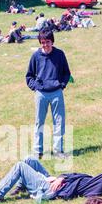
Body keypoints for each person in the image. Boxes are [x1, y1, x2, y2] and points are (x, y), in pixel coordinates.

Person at [0, 156, 102, 204]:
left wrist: (58, 183)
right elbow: (73, 174)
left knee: (20, 166)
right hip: (57, 182)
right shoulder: (93, 180)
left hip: (51, 190)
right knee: (29, 159)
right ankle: (23, 186)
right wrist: (60, 178)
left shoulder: (96, 188)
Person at [26, 29, 71, 158]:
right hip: (41, 94)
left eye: (48, 42)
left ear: (52, 41)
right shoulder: (36, 56)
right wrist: (35, 87)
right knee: (39, 122)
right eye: (43, 42)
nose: (45, 45)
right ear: (40, 42)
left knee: (59, 122)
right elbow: (29, 76)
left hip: (57, 92)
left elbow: (66, 73)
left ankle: (58, 151)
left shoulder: (59, 54)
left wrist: (61, 85)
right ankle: (37, 151)